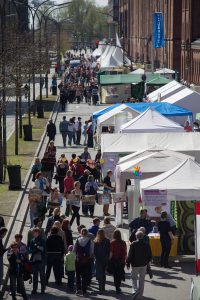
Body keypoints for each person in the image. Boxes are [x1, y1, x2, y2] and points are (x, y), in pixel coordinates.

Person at [126, 230, 152, 299]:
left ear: (136, 237)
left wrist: (128, 263)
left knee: (134, 278)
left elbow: (130, 255)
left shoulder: (133, 244)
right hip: (144, 264)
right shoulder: (146, 244)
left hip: (135, 265)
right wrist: (147, 262)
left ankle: (135, 290)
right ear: (143, 236)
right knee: (142, 280)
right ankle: (140, 296)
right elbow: (150, 255)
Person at [74, 228, 94, 296]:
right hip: (87, 260)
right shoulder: (90, 241)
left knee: (78, 275)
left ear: (81, 233)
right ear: (87, 233)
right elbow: (91, 251)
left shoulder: (77, 240)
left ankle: (78, 289)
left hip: (78, 260)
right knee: (85, 276)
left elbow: (74, 250)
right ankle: (84, 290)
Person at [29, 227, 46, 295]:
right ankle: (34, 289)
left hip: (41, 259)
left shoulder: (42, 240)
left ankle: (42, 289)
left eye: (36, 233)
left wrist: (38, 248)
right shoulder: (32, 240)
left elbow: (44, 249)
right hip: (34, 259)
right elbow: (30, 250)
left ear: (38, 233)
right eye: (34, 233)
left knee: (42, 275)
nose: (35, 234)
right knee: (35, 275)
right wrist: (35, 250)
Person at [109, 230, 127, 294]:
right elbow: (125, 252)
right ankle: (118, 286)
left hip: (114, 260)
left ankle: (117, 287)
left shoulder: (112, 242)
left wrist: (109, 260)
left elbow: (111, 252)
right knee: (119, 274)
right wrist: (125, 260)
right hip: (121, 260)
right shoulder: (123, 242)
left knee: (115, 275)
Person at [94, 229, 110, 294]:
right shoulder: (107, 240)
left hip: (98, 259)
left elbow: (94, 252)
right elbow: (108, 250)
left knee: (99, 273)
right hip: (105, 259)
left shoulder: (96, 241)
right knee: (103, 273)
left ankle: (100, 287)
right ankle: (103, 287)